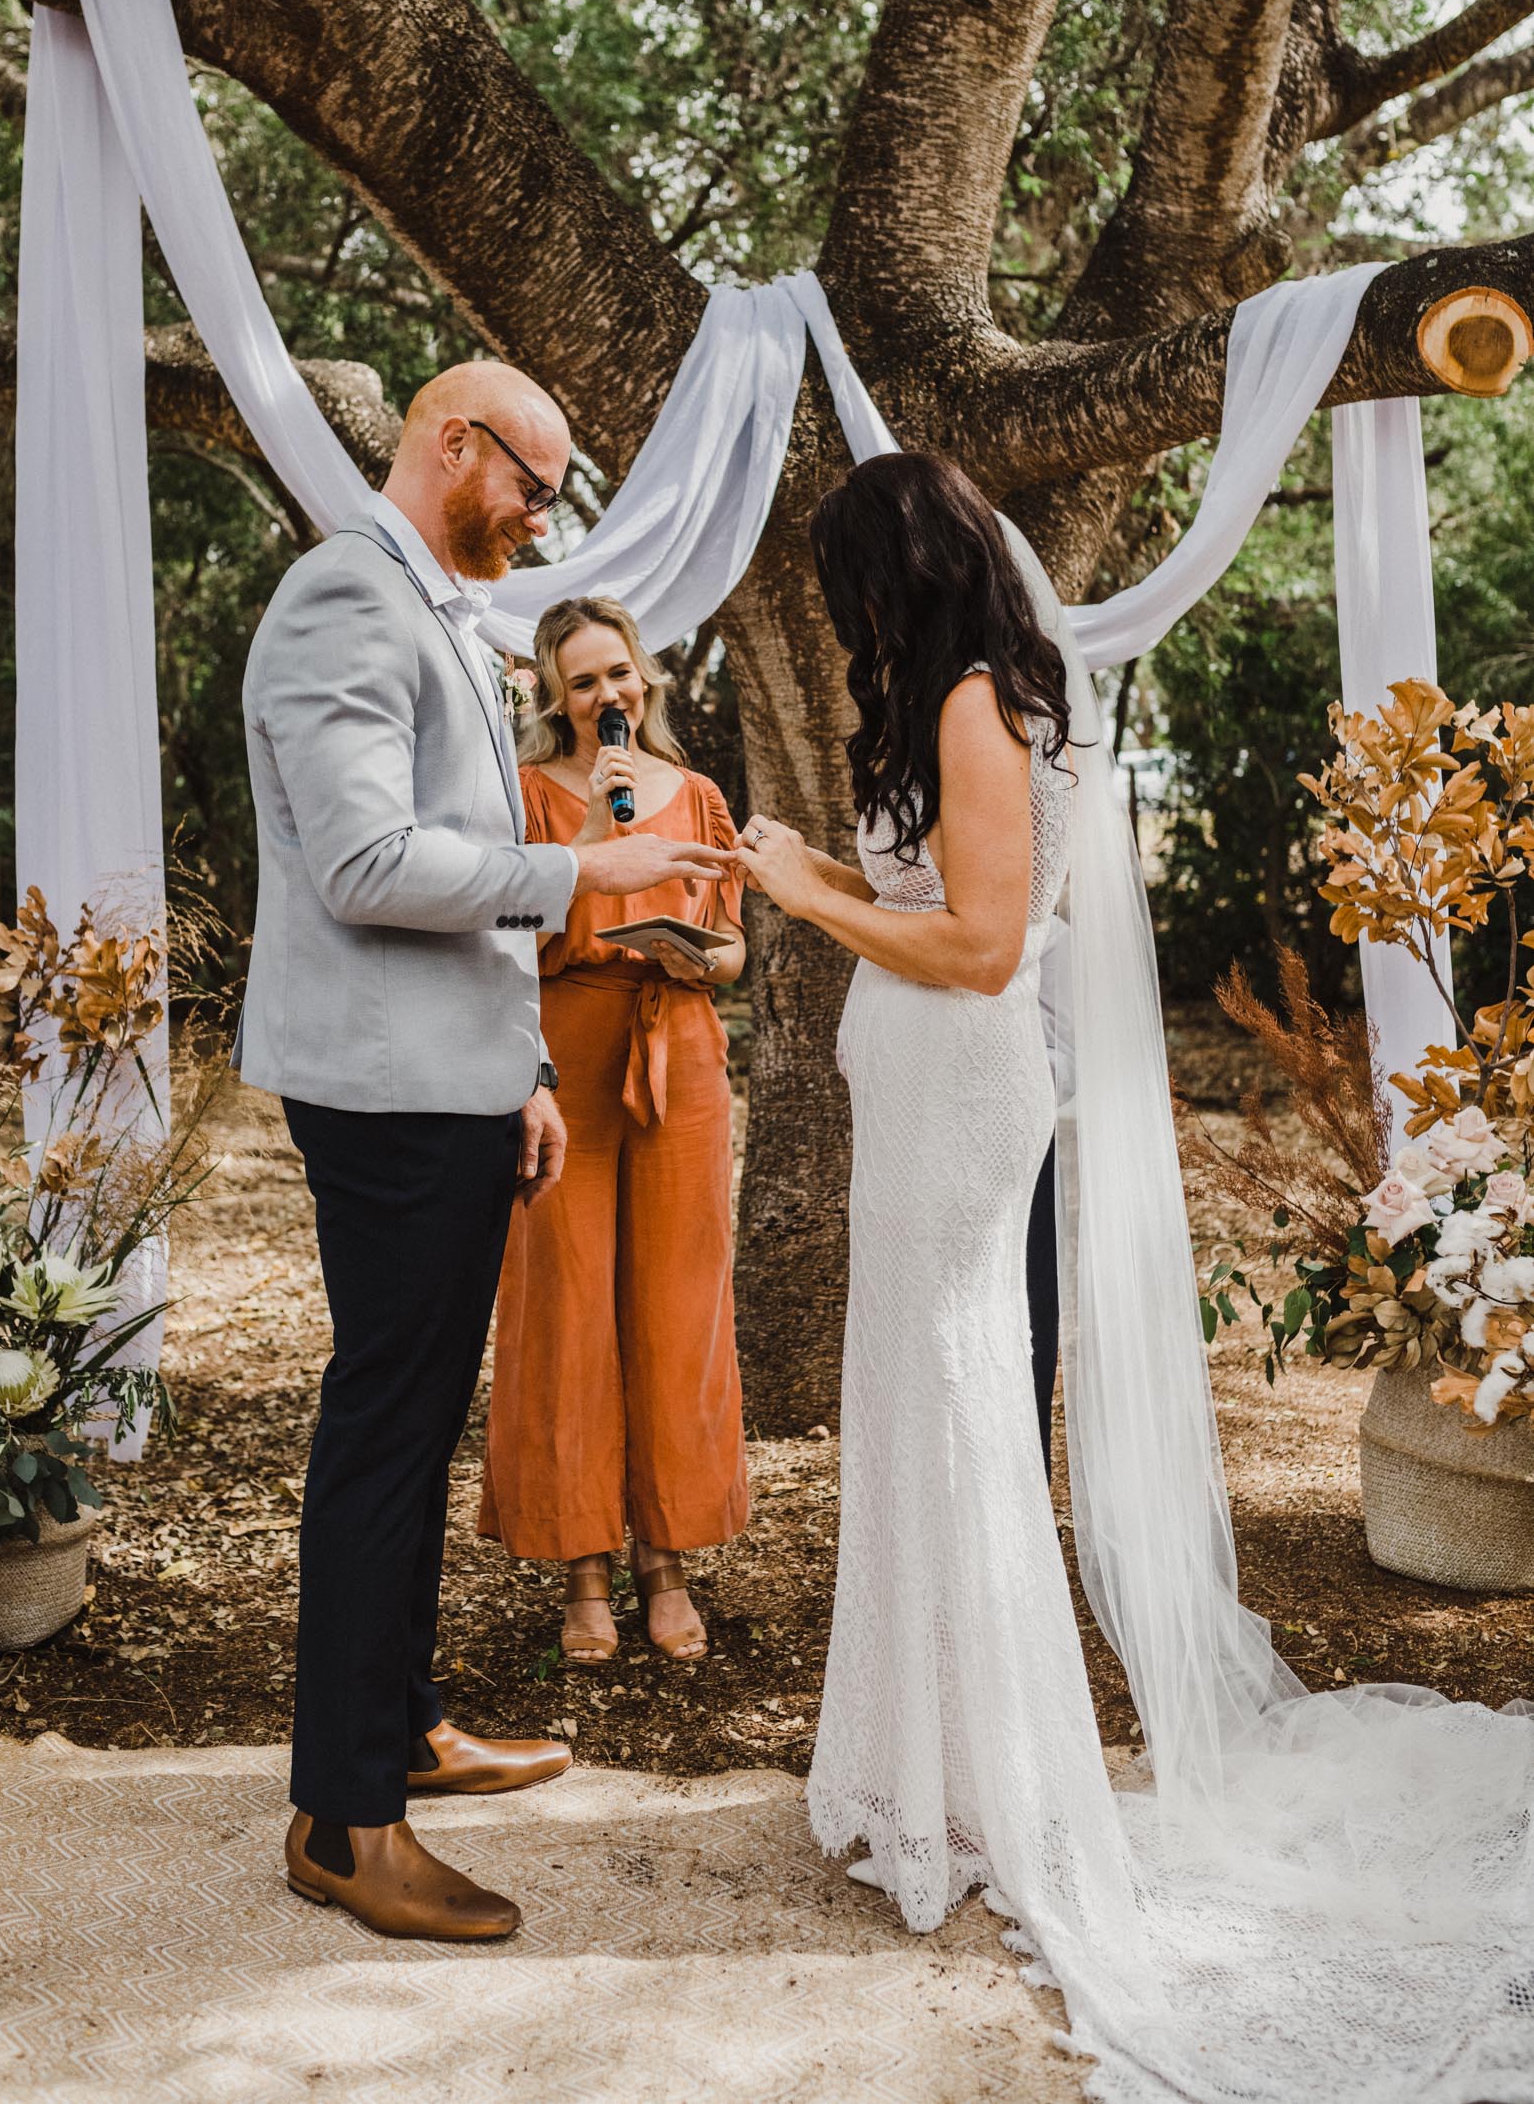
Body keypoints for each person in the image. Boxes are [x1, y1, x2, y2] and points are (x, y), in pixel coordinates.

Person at [734, 448, 1534, 2103]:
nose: (842, 620)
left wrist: (801, 888)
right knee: (912, 1409)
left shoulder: (970, 705)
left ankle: (994, 1786)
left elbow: (973, 945)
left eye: (847, 588)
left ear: (899, 574)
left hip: (957, 1104)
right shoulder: (960, 698)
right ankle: (923, 1765)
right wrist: (823, 872)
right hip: (923, 1099)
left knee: (953, 1410)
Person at [237, 363, 727, 1942]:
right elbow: (374, 863)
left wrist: (520, 1062)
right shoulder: (342, 602)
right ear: (453, 443)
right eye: (532, 478)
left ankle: (405, 1729)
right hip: (380, 1096)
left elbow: (441, 878)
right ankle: (342, 1820)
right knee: (386, 1431)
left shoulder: (434, 601)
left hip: (450, 1080)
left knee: (420, 1417)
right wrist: (595, 871)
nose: (540, 513)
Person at [479, 597, 749, 1664]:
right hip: (565, 1057)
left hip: (677, 1052)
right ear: (556, 697)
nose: (607, 697)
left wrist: (700, 959)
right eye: (582, 681)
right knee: (569, 1299)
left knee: (677, 1303)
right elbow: (509, 933)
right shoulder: (532, 798)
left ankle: (665, 1562)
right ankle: (583, 1569)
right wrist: (595, 823)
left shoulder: (702, 797)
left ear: (648, 677)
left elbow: (731, 948)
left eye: (618, 675)